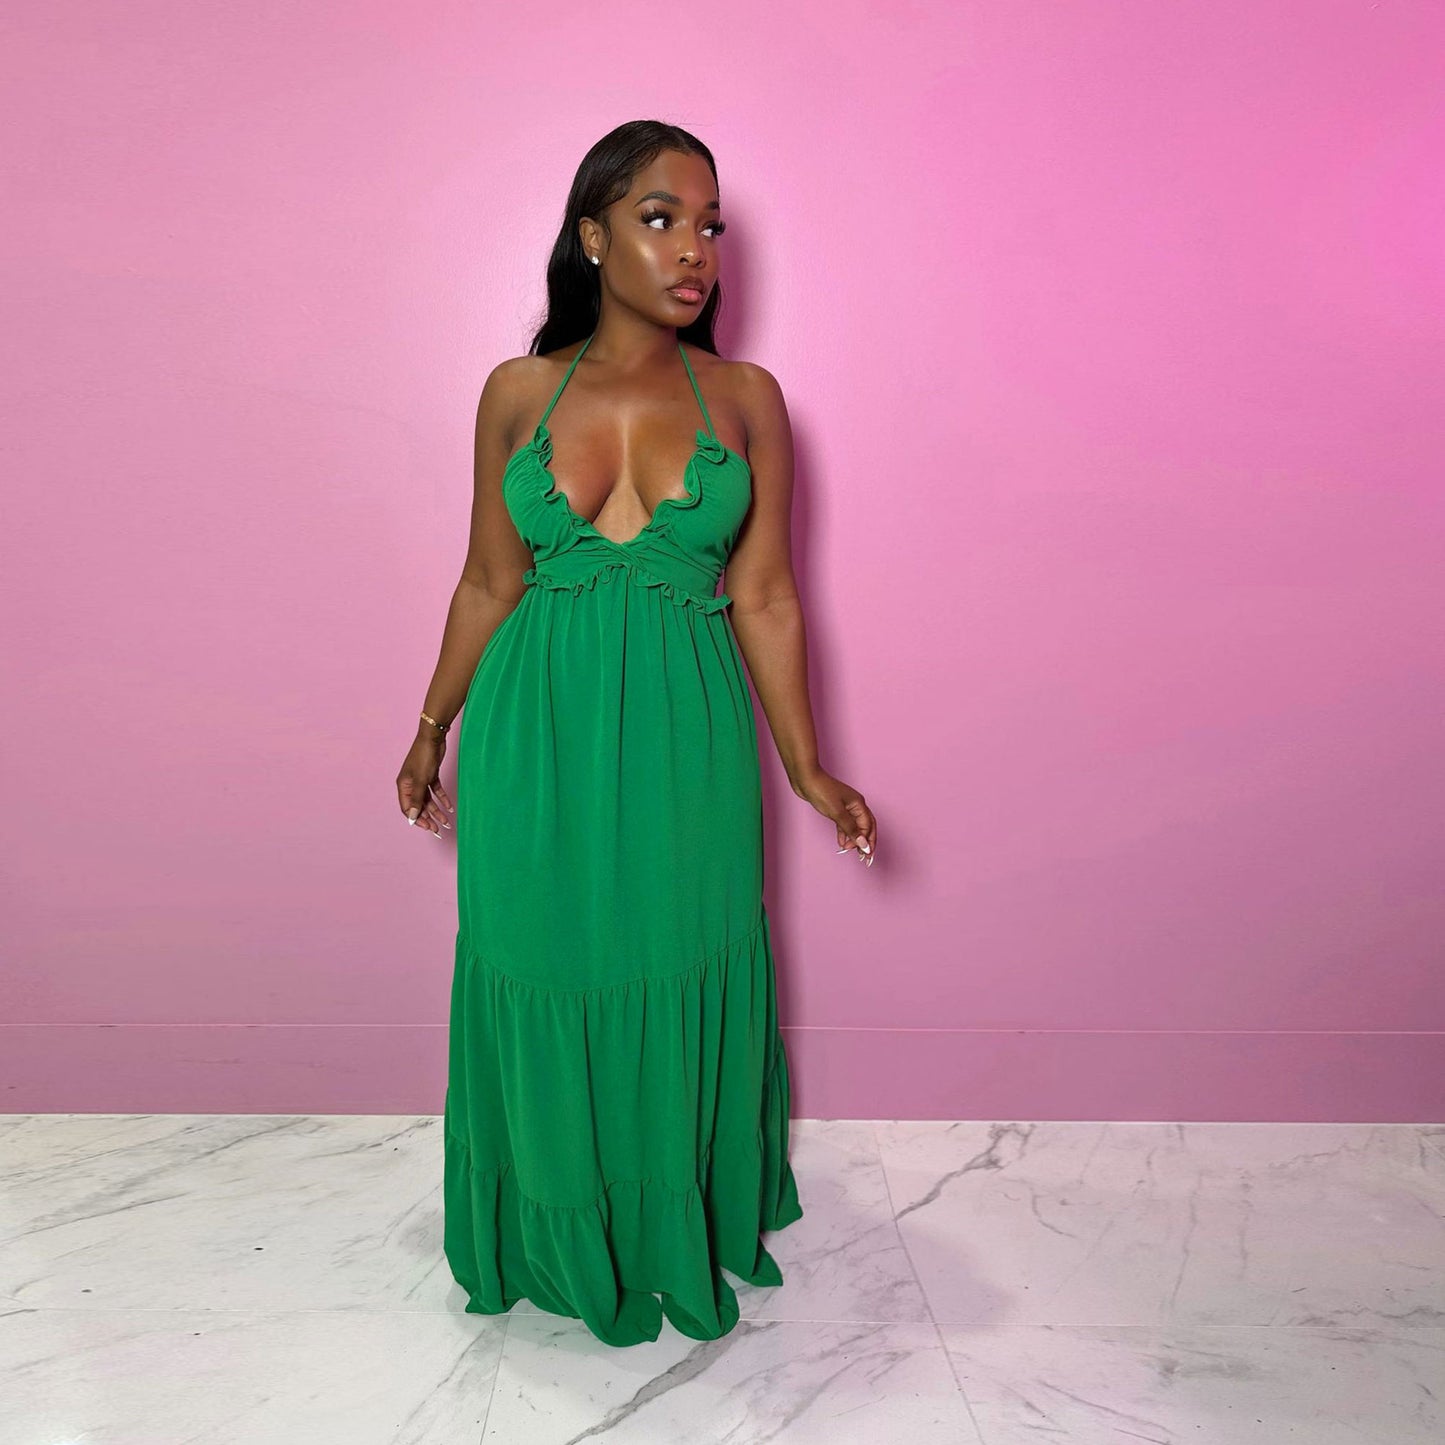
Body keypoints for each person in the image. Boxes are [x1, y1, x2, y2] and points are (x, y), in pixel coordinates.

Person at [395, 120, 878, 1347]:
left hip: (685, 737)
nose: (693, 249)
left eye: (708, 225)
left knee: (680, 959)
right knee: (538, 964)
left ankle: (672, 1224)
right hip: (533, 735)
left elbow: (765, 595)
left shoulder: (746, 400)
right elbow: (487, 579)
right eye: (660, 219)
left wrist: (808, 767)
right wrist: (431, 723)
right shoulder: (516, 393)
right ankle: (547, 1225)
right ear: (593, 236)